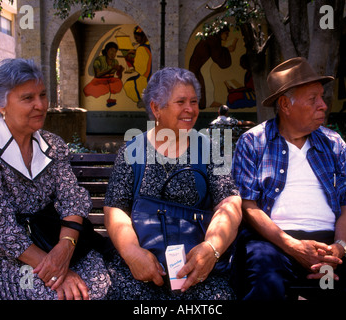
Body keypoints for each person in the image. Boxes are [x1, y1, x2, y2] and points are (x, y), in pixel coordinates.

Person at [232, 57, 346, 300]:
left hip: (332, 242)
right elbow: (248, 206)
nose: (322, 105)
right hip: (274, 242)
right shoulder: (254, 142)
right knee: (264, 282)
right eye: (313, 99)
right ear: (285, 105)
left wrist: (339, 249)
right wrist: (293, 247)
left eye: (321, 97)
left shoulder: (333, 143)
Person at [0, 58, 111, 300]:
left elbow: (72, 198)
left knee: (98, 283)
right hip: (5, 255)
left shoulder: (53, 145)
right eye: (28, 98)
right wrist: (54, 270)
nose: (40, 105)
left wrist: (65, 248)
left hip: (52, 240)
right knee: (50, 294)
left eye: (42, 95)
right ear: (1, 104)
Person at [103, 67, 242, 299]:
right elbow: (115, 207)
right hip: (144, 265)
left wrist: (211, 249)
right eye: (181, 102)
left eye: (194, 101)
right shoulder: (133, 150)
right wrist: (132, 253)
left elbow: (229, 203)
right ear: (156, 108)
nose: (190, 109)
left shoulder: (209, 149)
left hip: (196, 266)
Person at [83, 41, 124, 107]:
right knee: (93, 89)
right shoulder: (99, 60)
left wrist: (120, 71)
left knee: (118, 83)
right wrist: (111, 68)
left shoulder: (115, 61)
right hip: (99, 82)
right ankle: (105, 89)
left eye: (115, 52)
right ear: (107, 50)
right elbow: (98, 75)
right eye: (111, 50)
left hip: (110, 81)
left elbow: (119, 78)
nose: (113, 53)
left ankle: (107, 89)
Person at [123, 26, 152, 108]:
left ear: (143, 36)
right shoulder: (151, 46)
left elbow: (140, 69)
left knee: (128, 85)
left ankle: (142, 101)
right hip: (153, 78)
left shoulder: (141, 49)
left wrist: (131, 59)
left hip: (145, 79)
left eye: (137, 37)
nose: (136, 40)